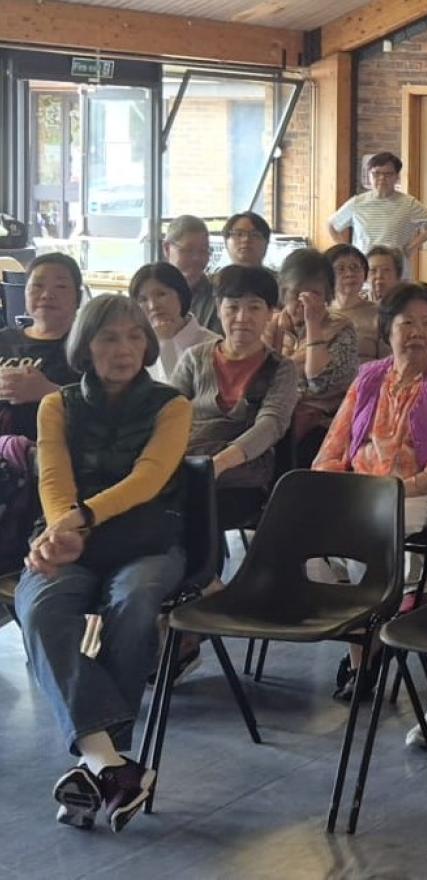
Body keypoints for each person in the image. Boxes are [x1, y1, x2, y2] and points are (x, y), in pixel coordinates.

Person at [15, 293, 193, 833]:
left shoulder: (172, 405)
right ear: (85, 346)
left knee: (135, 602)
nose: (124, 349)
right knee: (41, 605)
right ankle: (110, 766)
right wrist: (60, 529)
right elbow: (53, 479)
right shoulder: (58, 405)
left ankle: (99, 766)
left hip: (146, 540)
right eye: (110, 338)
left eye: (135, 337)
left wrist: (76, 521)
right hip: (70, 535)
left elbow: (148, 477)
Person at [314, 283, 427, 703]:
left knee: (368, 536)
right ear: (387, 328)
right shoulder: (370, 377)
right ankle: (363, 637)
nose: (417, 332)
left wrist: (394, 490)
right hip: (361, 490)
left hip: (421, 494)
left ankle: (362, 658)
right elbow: (335, 445)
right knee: (311, 542)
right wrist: (334, 485)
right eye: (406, 322)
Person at [171, 266, 299, 534]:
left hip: (242, 475)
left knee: (201, 511)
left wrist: (218, 465)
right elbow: (168, 414)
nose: (242, 318)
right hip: (186, 465)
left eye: (254, 308)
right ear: (219, 308)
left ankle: (204, 575)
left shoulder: (282, 369)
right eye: (233, 307)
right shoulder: (194, 359)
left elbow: (271, 425)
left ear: (270, 313)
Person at [266, 249, 359, 469]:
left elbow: (318, 383)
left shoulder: (341, 328)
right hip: (275, 415)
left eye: (314, 293)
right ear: (284, 292)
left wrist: (313, 325)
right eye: (297, 293)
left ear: (327, 295)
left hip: (322, 421)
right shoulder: (272, 326)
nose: (304, 302)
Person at [1, 253, 84, 440]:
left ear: (77, 297)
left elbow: (108, 411)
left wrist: (49, 391)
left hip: (54, 454)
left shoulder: (89, 347)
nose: (47, 295)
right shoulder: (4, 339)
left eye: (61, 286)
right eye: (37, 286)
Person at [327, 151, 427, 275]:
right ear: (369, 175)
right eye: (376, 174)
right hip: (365, 269)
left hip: (396, 270)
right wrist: (349, 252)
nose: (382, 178)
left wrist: (412, 246)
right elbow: (331, 225)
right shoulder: (357, 202)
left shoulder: (408, 204)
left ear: (396, 177)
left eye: (388, 174)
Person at [127, 263, 218, 385]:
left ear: (181, 294)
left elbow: (175, 395)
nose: (153, 306)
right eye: (143, 300)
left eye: (161, 294)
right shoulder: (135, 346)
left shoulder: (212, 345)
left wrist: (166, 342)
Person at [325, 244, 385, 361]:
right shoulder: (316, 314)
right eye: (340, 269)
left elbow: (388, 363)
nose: (349, 274)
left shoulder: (380, 313)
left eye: (355, 267)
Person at [162, 215, 220, 333]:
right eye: (188, 250)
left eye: (203, 250)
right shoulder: (150, 296)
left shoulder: (218, 296)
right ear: (167, 249)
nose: (196, 258)